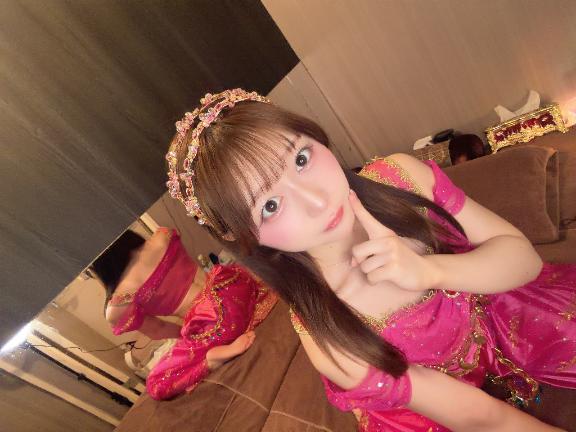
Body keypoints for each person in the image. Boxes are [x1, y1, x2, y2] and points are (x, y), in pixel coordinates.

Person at [164, 88, 575, 431]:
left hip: (501, 310)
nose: (318, 200)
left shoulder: (401, 176)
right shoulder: (331, 338)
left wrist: (428, 270)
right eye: (270, 205)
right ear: (247, 238)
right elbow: (483, 418)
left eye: (301, 159)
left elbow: (524, 260)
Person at [91, 226, 277, 400]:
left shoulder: (120, 302)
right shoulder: (162, 235)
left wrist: (192, 342)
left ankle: (211, 359)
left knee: (156, 383)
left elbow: (159, 330)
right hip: (236, 288)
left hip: (218, 324)